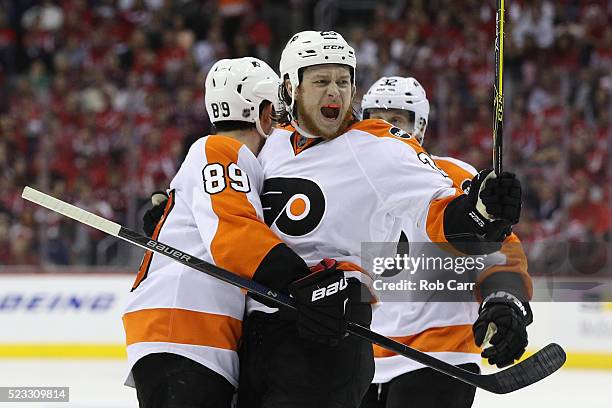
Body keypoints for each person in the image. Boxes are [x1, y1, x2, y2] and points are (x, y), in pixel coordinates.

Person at [236, 31, 524, 408]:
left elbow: (474, 231)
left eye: (343, 81)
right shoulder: (269, 146)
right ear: (290, 87)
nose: (335, 92)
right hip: (356, 345)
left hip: (431, 351)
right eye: (322, 81)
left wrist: (501, 286)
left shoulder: (390, 151)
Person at [124, 57, 344, 408]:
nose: (277, 123)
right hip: (185, 328)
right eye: (274, 112)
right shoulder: (222, 150)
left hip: (195, 332)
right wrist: (307, 282)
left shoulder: (230, 159)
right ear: (261, 111)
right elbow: (234, 235)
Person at [358, 76, 532, 408]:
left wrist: (504, 300)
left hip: (439, 353)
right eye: (373, 117)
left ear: (419, 125)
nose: (382, 128)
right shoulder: (349, 176)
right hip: (363, 354)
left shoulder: (451, 176)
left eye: (395, 120)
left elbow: (499, 247)